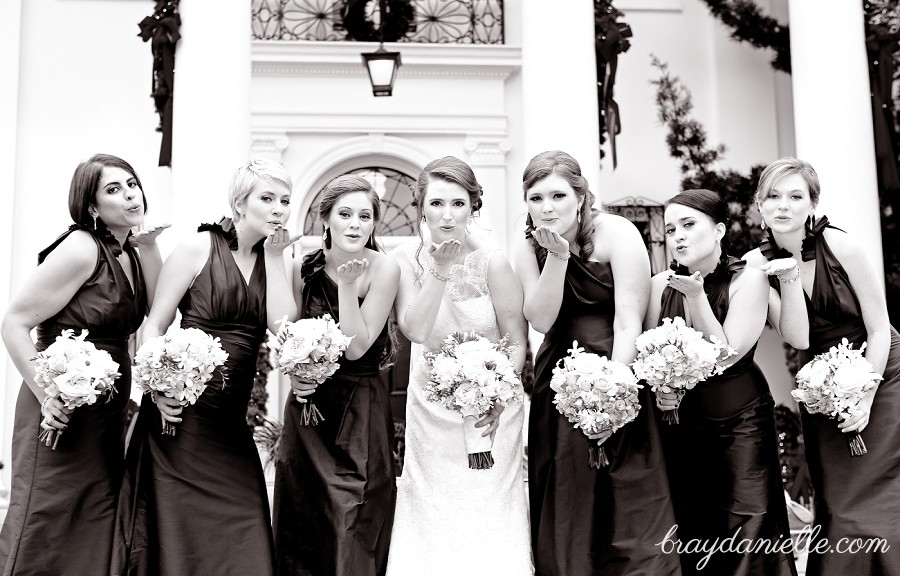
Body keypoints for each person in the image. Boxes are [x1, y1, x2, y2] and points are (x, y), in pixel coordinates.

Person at [113, 159, 297, 576]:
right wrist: (157, 391)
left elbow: (282, 327)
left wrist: (274, 256)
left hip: (231, 428)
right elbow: (155, 324)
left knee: (246, 534)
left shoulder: (276, 259)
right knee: (179, 540)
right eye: (266, 199)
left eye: (284, 201)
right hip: (181, 420)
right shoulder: (198, 248)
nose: (278, 210)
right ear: (239, 202)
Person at [513, 150, 680, 576]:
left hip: (617, 367)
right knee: (569, 489)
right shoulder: (526, 244)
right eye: (536, 198)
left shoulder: (617, 233)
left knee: (625, 494)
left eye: (557, 195)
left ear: (580, 195)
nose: (546, 207)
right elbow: (541, 319)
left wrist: (613, 398)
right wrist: (557, 257)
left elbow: (629, 321)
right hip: (558, 378)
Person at [0, 154, 167, 574]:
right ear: (92, 207)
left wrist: (149, 247)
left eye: (132, 183)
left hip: (107, 411)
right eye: (113, 189)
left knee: (95, 519)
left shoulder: (131, 252)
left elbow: (155, 316)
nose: (130, 194)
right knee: (48, 515)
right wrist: (48, 397)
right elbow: (15, 323)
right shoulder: (80, 247)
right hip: (61, 407)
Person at [744, 157, 900, 576]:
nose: (783, 206)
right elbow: (794, 337)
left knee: (887, 499)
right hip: (820, 383)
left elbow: (880, 328)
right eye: (773, 196)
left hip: (881, 372)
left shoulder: (842, 246)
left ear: (812, 203)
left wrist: (866, 393)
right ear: (759, 205)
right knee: (841, 504)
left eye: (796, 196)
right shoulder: (756, 267)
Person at [385, 156, 532, 576]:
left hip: (492, 412)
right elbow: (414, 328)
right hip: (431, 411)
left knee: (488, 502)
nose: (447, 214)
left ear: (473, 208)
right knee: (431, 502)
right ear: (421, 207)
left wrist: (498, 395)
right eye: (436, 203)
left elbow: (516, 339)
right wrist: (441, 270)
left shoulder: (494, 262)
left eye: (458, 203)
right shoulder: (404, 258)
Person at [646, 189, 796, 575]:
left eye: (689, 224)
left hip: (740, 423)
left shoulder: (750, 279)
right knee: (696, 533)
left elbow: (724, 356)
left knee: (749, 527)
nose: (678, 236)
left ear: (719, 230)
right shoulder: (659, 284)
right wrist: (661, 385)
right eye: (671, 228)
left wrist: (697, 298)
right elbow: (652, 353)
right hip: (682, 428)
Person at [273, 174, 399, 576]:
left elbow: (358, 346)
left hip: (360, 412)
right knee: (305, 522)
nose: (355, 224)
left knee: (353, 521)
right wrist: (297, 368)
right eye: (344, 214)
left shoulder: (385, 269)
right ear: (325, 219)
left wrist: (346, 286)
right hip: (309, 412)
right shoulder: (302, 268)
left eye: (365, 216)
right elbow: (283, 328)